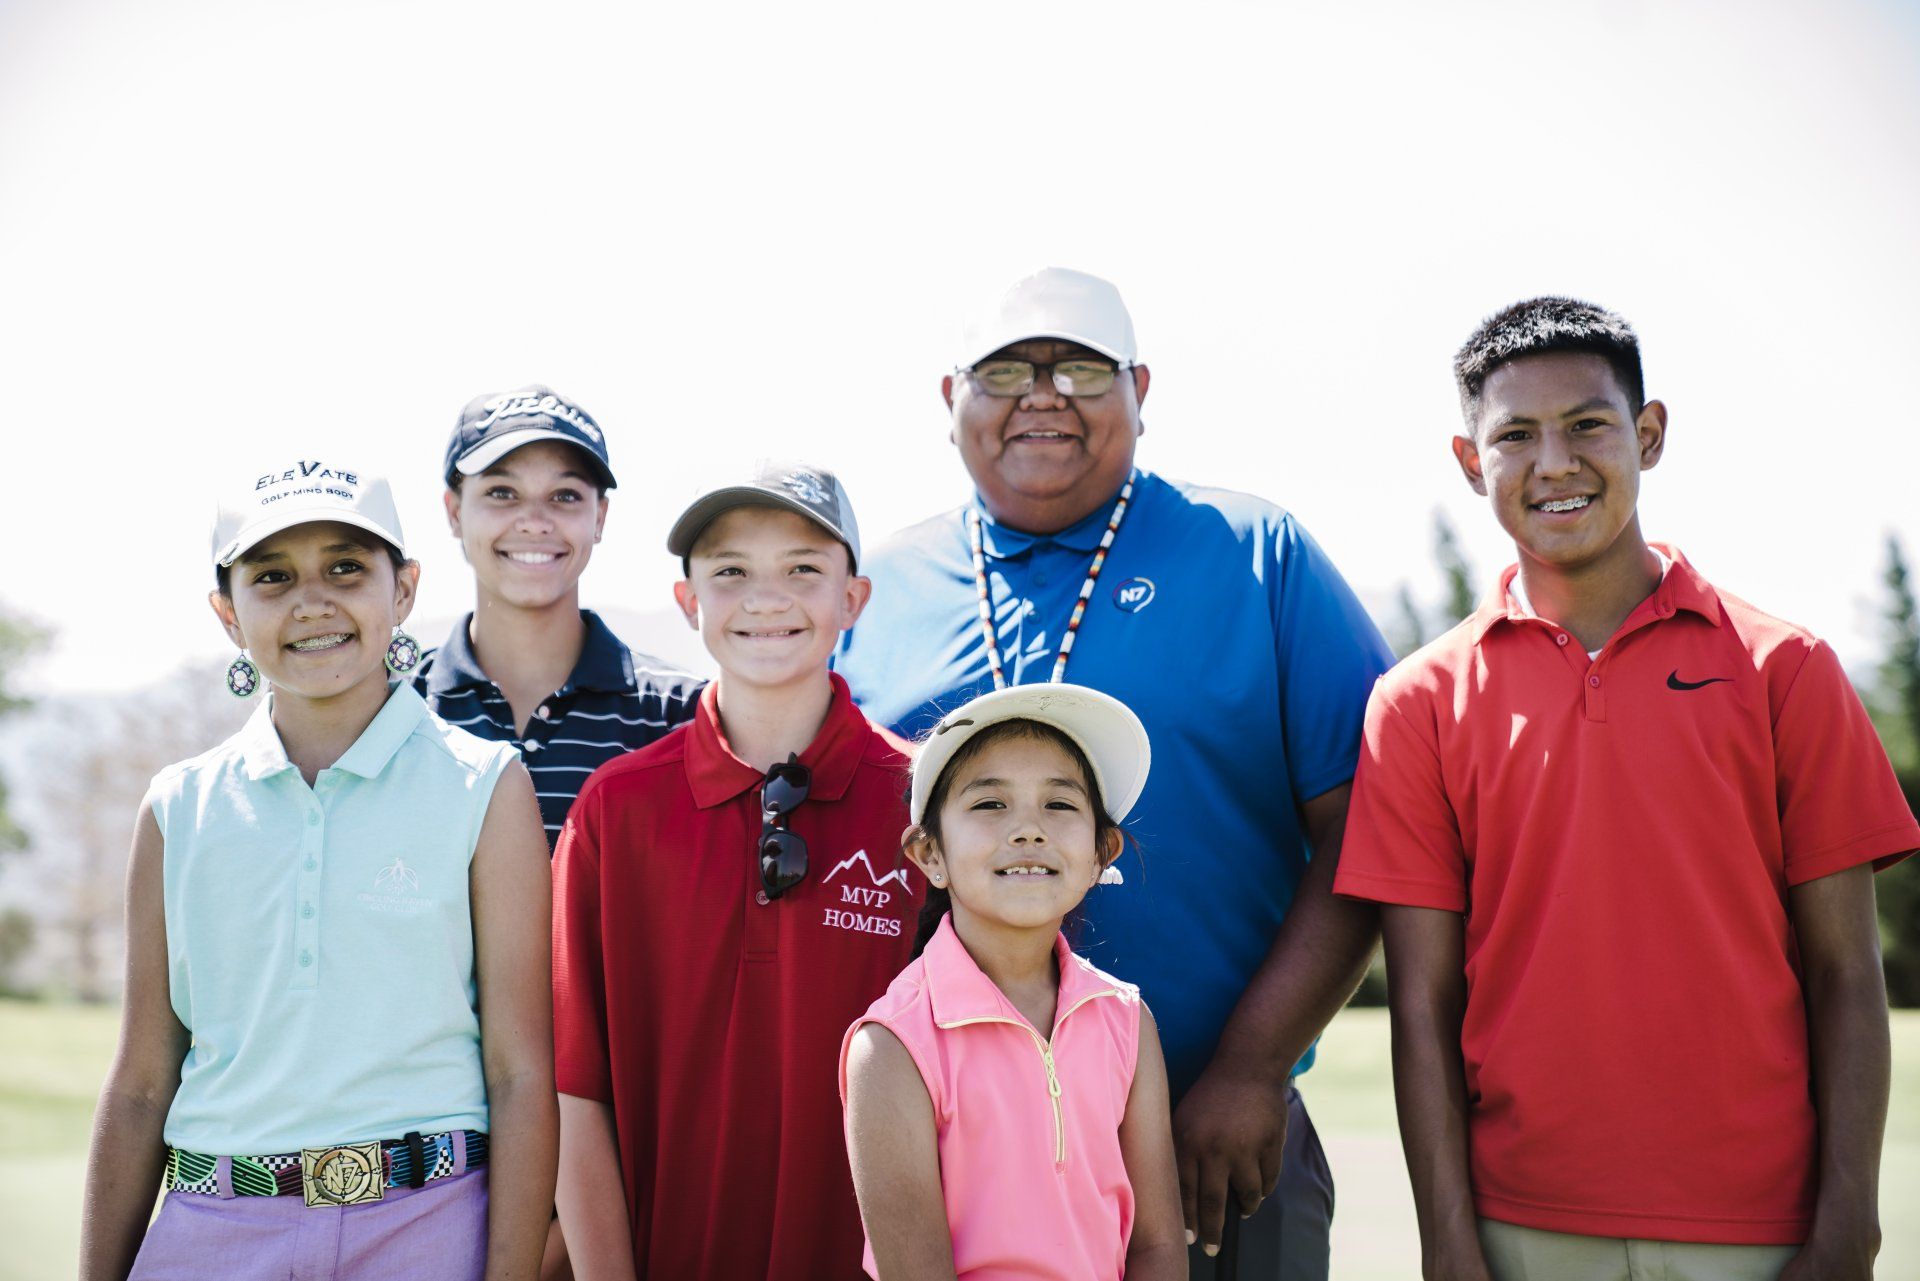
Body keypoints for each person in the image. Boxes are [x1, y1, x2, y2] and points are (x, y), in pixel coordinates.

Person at [1334, 297, 1920, 1281]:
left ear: (1648, 436)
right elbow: (1424, 1004)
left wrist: (1847, 1228)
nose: (1554, 462)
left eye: (1588, 424)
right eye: (1515, 435)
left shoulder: (1788, 669)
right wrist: (1446, 1243)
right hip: (1521, 1224)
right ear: (1471, 463)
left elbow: (1847, 975)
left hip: (1761, 1229)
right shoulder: (1417, 703)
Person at [836, 267, 1393, 1275]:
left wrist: (1252, 1066)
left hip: (1222, 1137)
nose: (1044, 393)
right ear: (949, 397)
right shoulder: (869, 592)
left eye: (1081, 368)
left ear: (1141, 388)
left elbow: (1373, 824)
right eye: (1007, 368)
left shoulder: (1254, 552)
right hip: (955, 1149)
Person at [80, 460, 556, 1281]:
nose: (313, 601)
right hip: (211, 1229)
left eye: (346, 567)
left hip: (428, 1225)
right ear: (228, 613)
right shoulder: (177, 808)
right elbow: (140, 1083)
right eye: (273, 577)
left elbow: (519, 1073)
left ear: (402, 590)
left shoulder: (484, 782)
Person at [551, 462, 926, 1279]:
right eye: (730, 572)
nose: (766, 598)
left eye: (802, 568)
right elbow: (578, 1090)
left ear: (852, 600)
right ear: (689, 603)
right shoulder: (616, 810)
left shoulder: (925, 805)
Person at [841, 683, 1187, 1280]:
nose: (1028, 829)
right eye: (989, 804)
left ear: (1103, 850)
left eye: (1059, 804)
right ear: (929, 854)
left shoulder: (1127, 1020)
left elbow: (1157, 1247)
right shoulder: (892, 1045)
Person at [417, 383, 702, 849]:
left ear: (600, 517)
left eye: (565, 495)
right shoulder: (395, 707)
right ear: (454, 513)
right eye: (502, 492)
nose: (534, 520)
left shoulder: (681, 716)